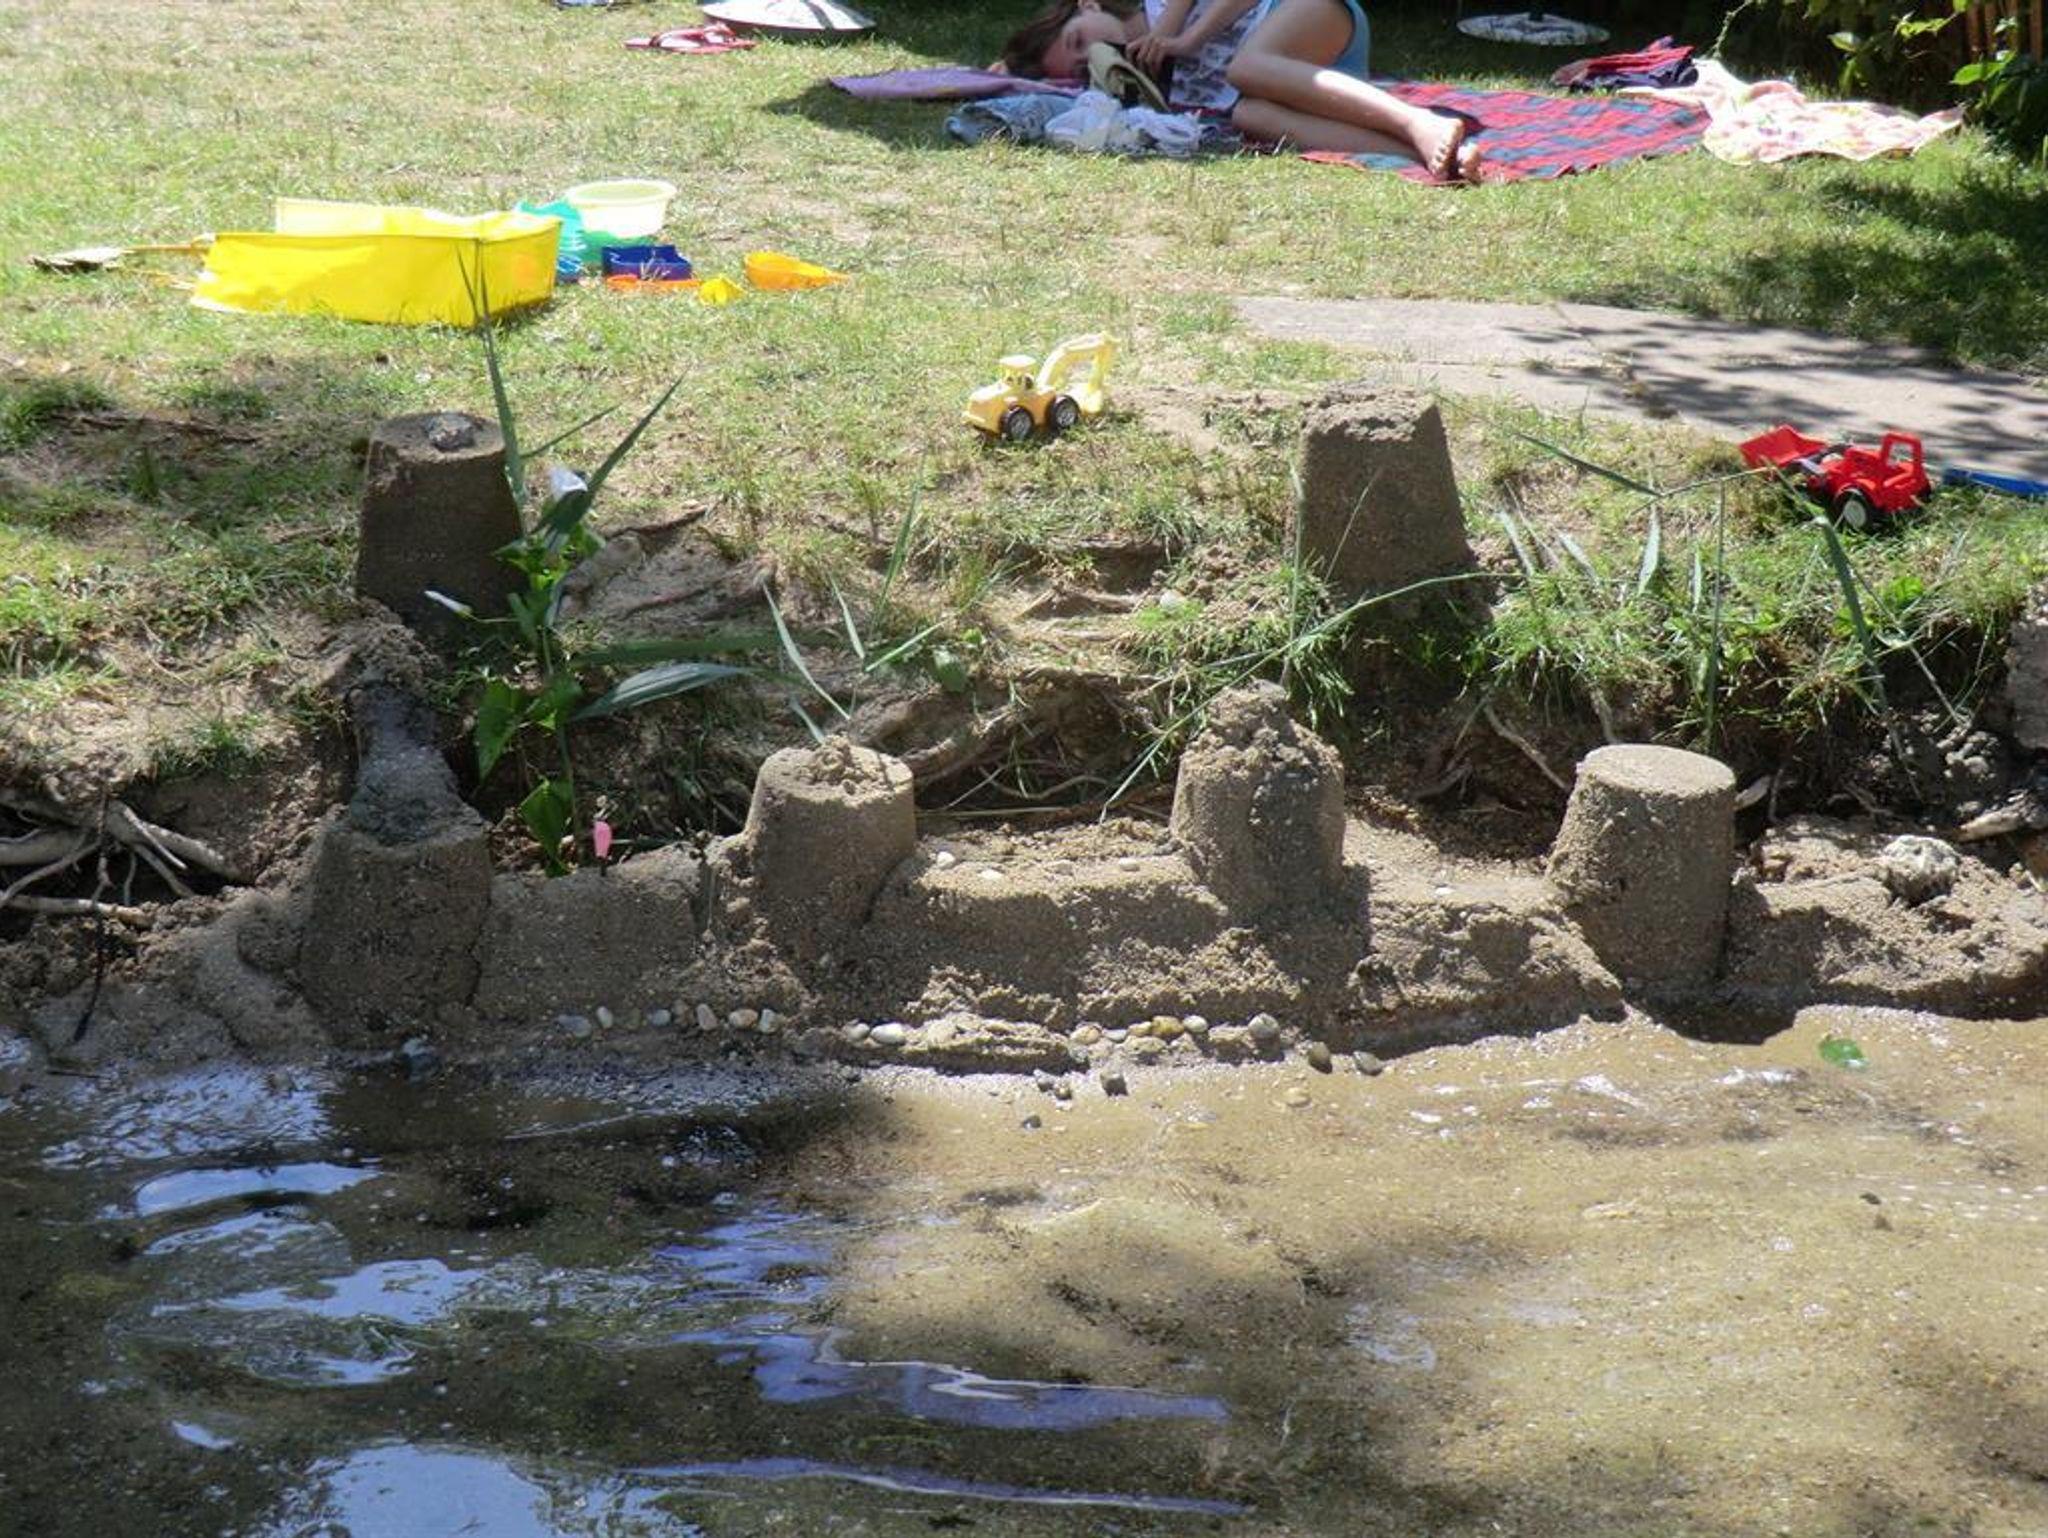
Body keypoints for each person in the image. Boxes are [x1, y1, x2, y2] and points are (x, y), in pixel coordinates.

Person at [994, 0, 1482, 180]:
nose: (1093, 52)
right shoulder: (1142, 73)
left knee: (1244, 68)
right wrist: (1002, 73)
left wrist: (1187, 36)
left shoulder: (1161, 9)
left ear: (1086, 5)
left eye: (1079, 39)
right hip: (1302, 77)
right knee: (1249, 117)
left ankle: (1417, 121)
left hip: (1306, 13)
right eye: (1082, 64)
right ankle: (1430, 152)